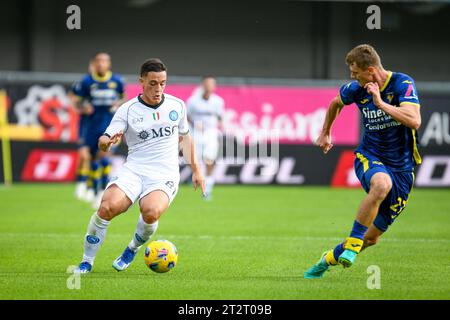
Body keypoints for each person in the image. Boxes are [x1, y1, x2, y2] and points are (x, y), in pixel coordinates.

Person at [74, 58, 205, 273]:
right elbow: (104, 140)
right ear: (141, 82)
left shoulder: (177, 105)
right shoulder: (127, 110)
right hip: (134, 170)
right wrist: (107, 142)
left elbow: (186, 139)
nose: (158, 88)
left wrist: (197, 171)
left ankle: (132, 248)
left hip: (164, 174)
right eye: (153, 83)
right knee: (107, 208)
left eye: (162, 83)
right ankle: (87, 261)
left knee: (151, 212)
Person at [304, 44, 422, 278]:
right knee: (381, 184)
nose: (352, 77)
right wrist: (326, 131)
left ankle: (328, 258)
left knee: (372, 238)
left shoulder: (402, 84)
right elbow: (335, 103)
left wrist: (380, 103)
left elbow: (414, 120)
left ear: (370, 70)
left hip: (402, 166)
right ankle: (354, 244)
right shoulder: (356, 89)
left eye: (355, 72)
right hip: (370, 155)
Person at [71, 52, 126, 207]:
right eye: (99, 61)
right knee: (92, 159)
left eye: (105, 61)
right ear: (94, 64)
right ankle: (93, 189)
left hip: (109, 126)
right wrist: (83, 107)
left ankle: (102, 190)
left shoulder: (117, 81)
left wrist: (118, 104)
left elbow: (123, 98)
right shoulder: (86, 82)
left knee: (104, 158)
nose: (102, 64)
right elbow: (77, 102)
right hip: (90, 126)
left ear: (109, 64)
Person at [186, 76, 224, 200]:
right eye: (207, 84)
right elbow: (187, 116)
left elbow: (220, 117)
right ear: (203, 85)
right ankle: (199, 181)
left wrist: (222, 128)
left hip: (211, 133)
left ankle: (208, 189)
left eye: (212, 84)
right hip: (196, 133)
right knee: (197, 161)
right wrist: (196, 126)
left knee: (209, 159)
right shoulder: (192, 101)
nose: (209, 86)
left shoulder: (218, 101)